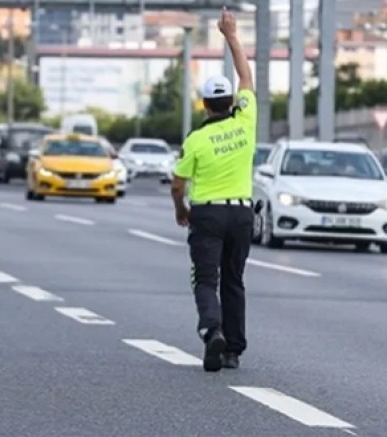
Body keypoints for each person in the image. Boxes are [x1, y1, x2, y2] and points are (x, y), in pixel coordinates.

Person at [170, 7, 257, 373]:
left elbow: (178, 184)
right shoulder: (247, 120)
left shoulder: (197, 139)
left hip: (207, 214)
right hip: (241, 213)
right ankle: (234, 349)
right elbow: (246, 76)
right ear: (231, 101)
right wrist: (231, 35)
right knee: (234, 280)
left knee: (206, 279)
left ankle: (213, 329)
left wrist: (181, 210)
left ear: (205, 105)